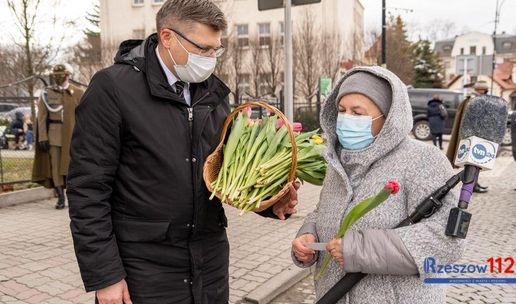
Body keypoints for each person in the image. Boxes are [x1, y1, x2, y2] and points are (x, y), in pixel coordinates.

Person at [67, 1, 298, 303]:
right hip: (144, 269)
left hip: (209, 265)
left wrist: (269, 201)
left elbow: (222, 176)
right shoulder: (113, 89)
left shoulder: (213, 93)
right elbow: (87, 190)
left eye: (216, 49)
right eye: (203, 49)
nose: (211, 58)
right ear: (167, 38)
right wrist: (106, 275)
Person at [291, 66, 465, 304]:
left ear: (387, 118)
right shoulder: (339, 160)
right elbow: (324, 211)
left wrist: (359, 251)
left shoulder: (423, 160)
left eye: (357, 113)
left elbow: (447, 241)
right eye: (341, 110)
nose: (346, 119)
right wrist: (308, 235)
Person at [32, 64, 84, 209]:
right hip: (54, 135)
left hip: (73, 136)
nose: (59, 79)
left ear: (68, 75)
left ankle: (73, 196)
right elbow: (41, 117)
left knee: (72, 166)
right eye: (57, 76)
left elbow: (85, 115)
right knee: (55, 166)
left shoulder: (78, 92)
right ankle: (60, 197)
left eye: (62, 75)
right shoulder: (47, 94)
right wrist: (42, 136)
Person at [446, 81, 489, 193]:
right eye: (482, 89)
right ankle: (471, 185)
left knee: (476, 163)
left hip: (477, 135)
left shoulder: (479, 99)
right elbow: (470, 120)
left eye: (484, 89)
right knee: (472, 163)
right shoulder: (472, 100)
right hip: (471, 136)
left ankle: (474, 183)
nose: (483, 91)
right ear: (479, 89)